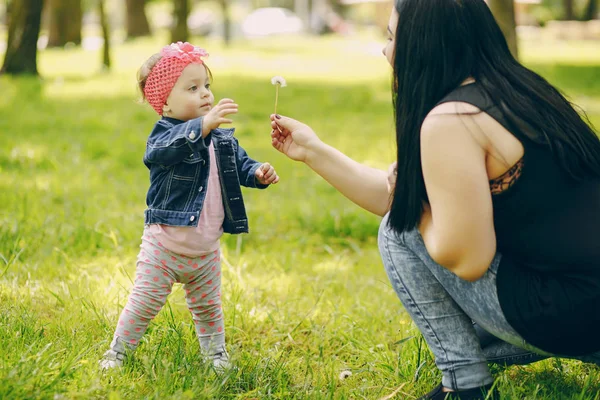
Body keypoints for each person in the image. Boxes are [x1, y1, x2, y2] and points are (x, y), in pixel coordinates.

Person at [269, 0, 600, 398]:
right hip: (586, 299)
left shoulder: (452, 120)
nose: (385, 50)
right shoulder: (516, 90)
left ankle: (463, 385)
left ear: (423, 44)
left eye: (391, 37)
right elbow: (389, 192)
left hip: (573, 311)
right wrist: (312, 150)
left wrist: (419, 207)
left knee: (399, 228)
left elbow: (467, 257)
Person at [99, 41, 279, 371]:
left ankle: (214, 355)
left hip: (205, 251)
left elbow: (240, 165)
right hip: (164, 247)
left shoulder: (223, 137)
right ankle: (118, 351)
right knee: (144, 302)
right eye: (193, 88)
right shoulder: (164, 135)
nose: (205, 94)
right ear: (165, 101)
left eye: (207, 85)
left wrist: (257, 172)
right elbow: (161, 152)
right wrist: (202, 126)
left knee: (209, 308)